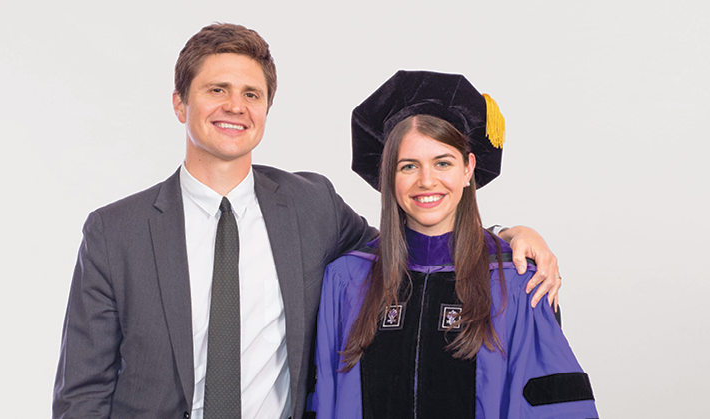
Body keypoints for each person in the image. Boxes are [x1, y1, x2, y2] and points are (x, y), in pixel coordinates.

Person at [52, 24, 563, 419]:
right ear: (179, 103)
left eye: (252, 94)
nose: (235, 106)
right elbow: (82, 393)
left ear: (267, 108)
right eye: (217, 90)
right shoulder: (114, 232)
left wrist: (507, 236)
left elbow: (414, 243)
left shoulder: (310, 204)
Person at [308, 71, 597, 418]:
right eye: (408, 166)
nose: (426, 180)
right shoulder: (348, 279)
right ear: (388, 175)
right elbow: (323, 397)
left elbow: (552, 404)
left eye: (442, 162)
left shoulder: (517, 282)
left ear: (467, 168)